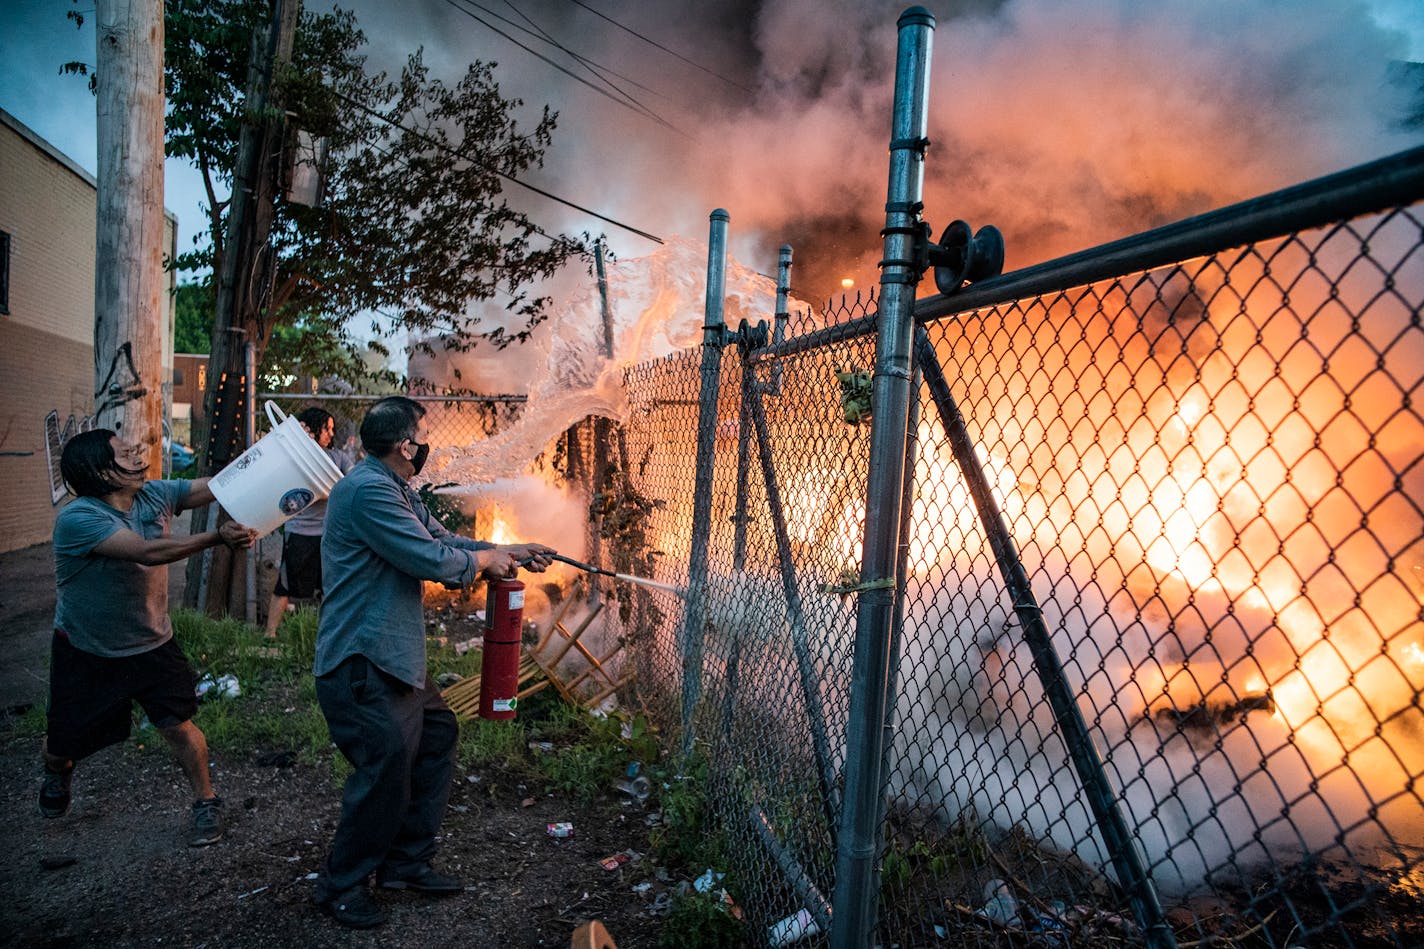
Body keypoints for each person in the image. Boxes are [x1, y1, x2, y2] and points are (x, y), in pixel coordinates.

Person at [313, 396, 555, 929]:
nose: (427, 445)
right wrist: (484, 562)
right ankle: (342, 885)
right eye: (422, 436)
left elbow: (444, 540)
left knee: (437, 737)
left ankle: (404, 864)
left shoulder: (394, 487)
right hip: (363, 659)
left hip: (394, 658)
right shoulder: (369, 492)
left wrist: (507, 549)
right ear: (406, 445)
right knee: (385, 770)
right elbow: (431, 560)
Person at [40, 429, 258, 846]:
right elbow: (145, 552)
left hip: (152, 642)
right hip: (88, 650)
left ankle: (206, 802)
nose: (139, 455)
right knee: (61, 744)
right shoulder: (78, 519)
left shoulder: (155, 494)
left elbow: (218, 485)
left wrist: (269, 454)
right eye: (125, 454)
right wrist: (217, 538)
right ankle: (58, 770)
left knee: (179, 725)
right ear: (101, 472)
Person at [264, 407, 353, 639]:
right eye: (327, 429)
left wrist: (327, 489)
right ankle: (270, 634)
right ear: (313, 429)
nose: (331, 434)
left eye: (332, 429)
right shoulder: (295, 457)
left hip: (328, 534)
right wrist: (329, 489)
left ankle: (328, 636)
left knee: (329, 587)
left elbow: (351, 483)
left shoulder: (338, 458)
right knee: (285, 585)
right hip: (300, 533)